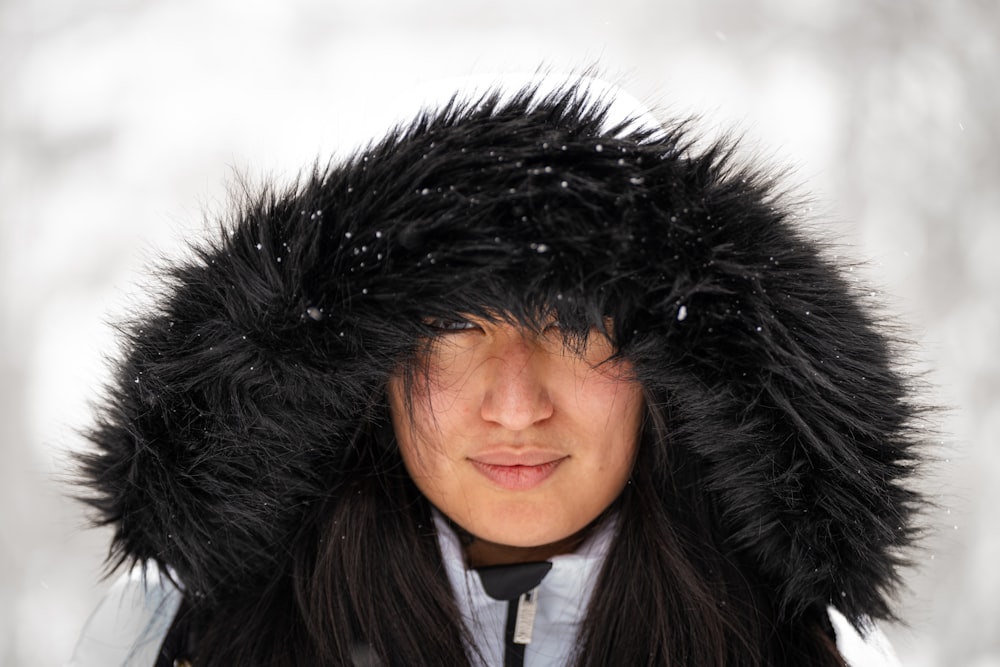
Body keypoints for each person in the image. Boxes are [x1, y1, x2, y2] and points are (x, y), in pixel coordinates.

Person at [70, 76, 925, 666]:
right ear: (364, 365)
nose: (516, 405)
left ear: (674, 367)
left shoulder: (815, 647)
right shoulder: (189, 637)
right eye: (452, 326)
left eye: (577, 330)